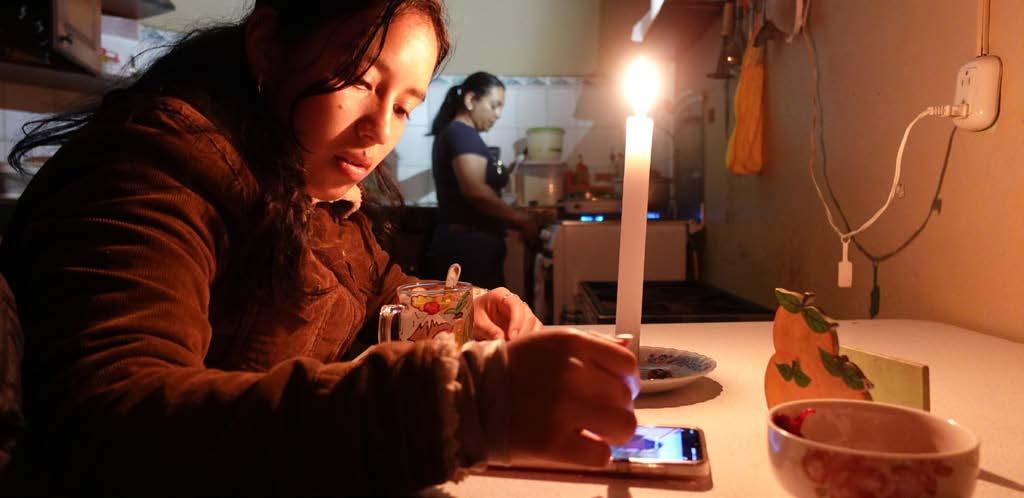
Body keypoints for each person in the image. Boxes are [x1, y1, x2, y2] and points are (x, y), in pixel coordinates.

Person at [0, 1, 638, 496]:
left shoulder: (310, 187)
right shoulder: (154, 168)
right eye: (359, 80)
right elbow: (115, 426)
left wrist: (465, 309)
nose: (378, 130)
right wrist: (463, 403)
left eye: (403, 108)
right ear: (268, 45)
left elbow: (378, 290)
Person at [428, 72, 539, 289]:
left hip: (466, 245)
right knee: (474, 308)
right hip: (469, 249)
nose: (498, 114)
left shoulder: (457, 132)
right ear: (470, 100)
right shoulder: (462, 133)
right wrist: (521, 219)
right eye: (494, 106)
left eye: (501, 108)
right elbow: (475, 190)